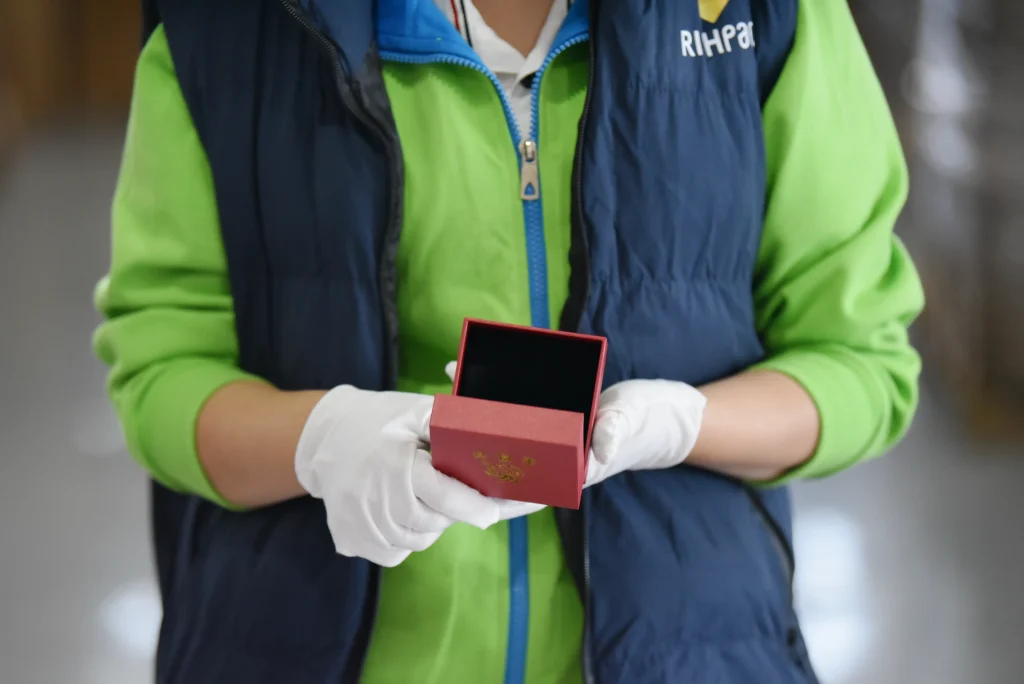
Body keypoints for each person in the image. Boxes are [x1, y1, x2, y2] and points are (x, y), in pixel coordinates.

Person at [94, 0, 924, 681]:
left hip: (694, 651)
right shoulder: (226, 27)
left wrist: (687, 425)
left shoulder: (764, 15)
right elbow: (164, 369)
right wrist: (318, 440)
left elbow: (860, 361)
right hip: (291, 644)